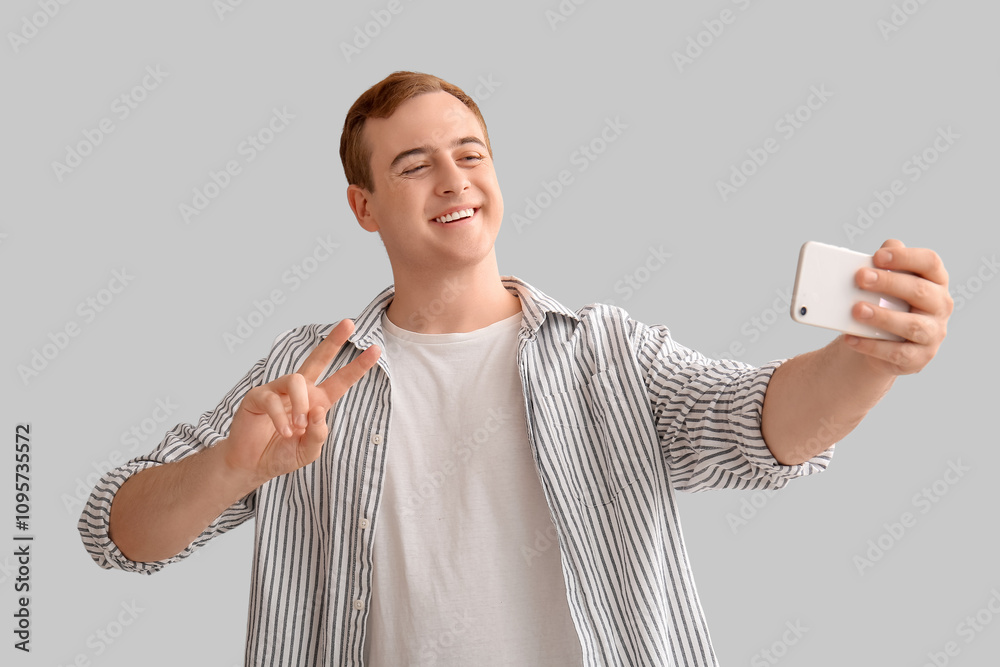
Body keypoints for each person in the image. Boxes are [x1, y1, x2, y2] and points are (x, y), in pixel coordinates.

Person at [79, 71, 953, 666]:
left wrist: (867, 362)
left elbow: (759, 423)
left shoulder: (605, 352)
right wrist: (230, 469)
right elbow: (113, 534)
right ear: (364, 206)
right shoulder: (307, 373)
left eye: (470, 152)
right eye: (414, 164)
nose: (454, 178)